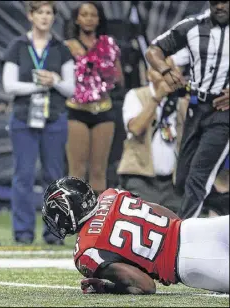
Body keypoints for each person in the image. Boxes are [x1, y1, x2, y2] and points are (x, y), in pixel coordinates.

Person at [42, 176, 229, 295]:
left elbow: (146, 285)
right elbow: (163, 212)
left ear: (70, 211)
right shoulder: (111, 194)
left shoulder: (87, 252)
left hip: (190, 263)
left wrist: (107, 287)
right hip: (194, 228)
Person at [145, 1, 229, 219]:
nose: (220, 6)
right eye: (215, 2)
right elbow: (154, 50)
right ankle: (223, 204)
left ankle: (183, 232)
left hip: (224, 110)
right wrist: (165, 70)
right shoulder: (193, 26)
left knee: (198, 176)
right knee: (182, 179)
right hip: (195, 107)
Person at [2, 1, 75, 245]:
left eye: (49, 13)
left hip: (54, 118)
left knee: (53, 177)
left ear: (54, 17)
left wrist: (54, 80)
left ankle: (54, 232)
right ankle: (22, 232)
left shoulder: (61, 48)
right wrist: (38, 85)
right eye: (40, 12)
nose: (45, 17)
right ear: (30, 16)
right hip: (24, 118)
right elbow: (9, 85)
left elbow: (70, 89)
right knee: (22, 176)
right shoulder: (18, 46)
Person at [63, 2, 124, 196]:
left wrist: (103, 66)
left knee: (99, 171)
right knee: (77, 172)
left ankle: (98, 222)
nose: (89, 19)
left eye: (93, 15)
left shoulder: (109, 44)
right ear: (77, 19)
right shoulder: (67, 46)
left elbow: (119, 78)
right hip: (76, 110)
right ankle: (76, 222)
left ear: (99, 19)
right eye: (84, 15)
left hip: (103, 110)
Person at [117, 50, 189, 213]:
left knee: (176, 232)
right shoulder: (136, 95)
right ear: (151, 74)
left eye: (172, 71)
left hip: (172, 183)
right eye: (163, 71)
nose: (168, 76)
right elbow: (136, 128)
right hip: (140, 179)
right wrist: (157, 97)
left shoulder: (180, 101)